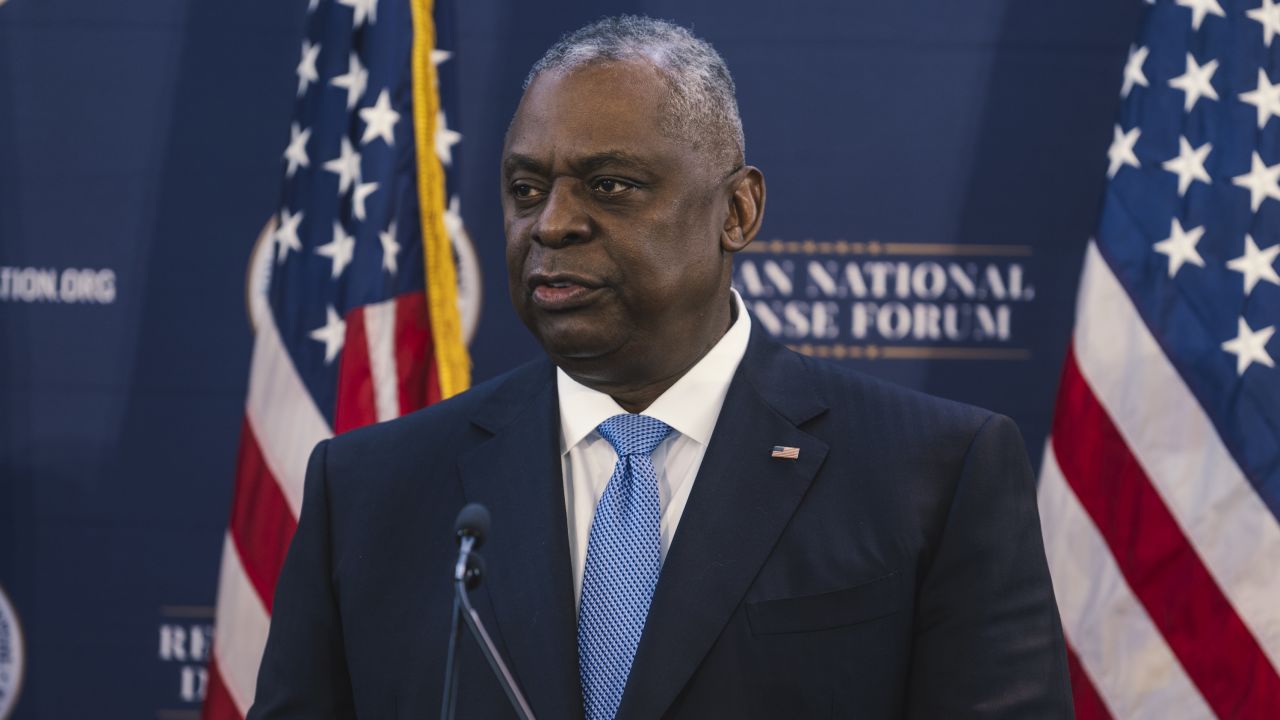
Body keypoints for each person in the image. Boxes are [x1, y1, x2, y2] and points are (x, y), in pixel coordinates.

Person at [249, 16, 1073, 719]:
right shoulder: (367, 491)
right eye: (526, 189)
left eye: (610, 186)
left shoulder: (932, 473)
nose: (553, 224)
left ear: (737, 211)